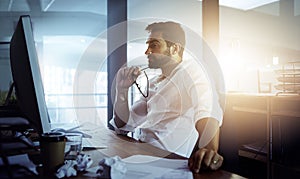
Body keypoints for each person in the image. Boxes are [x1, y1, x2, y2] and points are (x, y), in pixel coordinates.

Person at [110, 21, 224, 172]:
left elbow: (206, 108)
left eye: (154, 45)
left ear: (175, 48)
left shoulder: (191, 71)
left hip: (166, 163)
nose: (147, 52)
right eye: (147, 45)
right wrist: (121, 91)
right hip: (140, 153)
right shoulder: (153, 82)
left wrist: (210, 149)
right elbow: (124, 124)